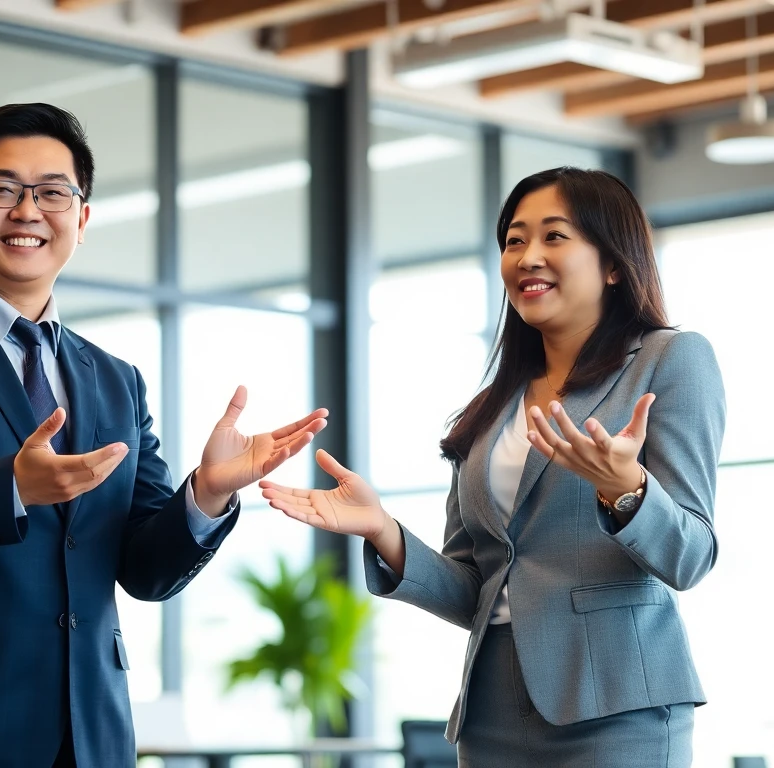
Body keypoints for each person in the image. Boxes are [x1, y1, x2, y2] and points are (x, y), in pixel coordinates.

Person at [0, 102, 328, 767]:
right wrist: (8, 487)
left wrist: (205, 495)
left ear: (81, 220)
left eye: (53, 193)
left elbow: (145, 571)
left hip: (87, 735)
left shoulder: (116, 379)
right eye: (1, 190)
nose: (29, 211)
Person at [262, 167, 725, 766]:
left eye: (555, 236)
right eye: (514, 240)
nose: (528, 256)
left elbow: (691, 556)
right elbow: (477, 588)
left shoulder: (670, 360)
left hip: (618, 709)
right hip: (492, 718)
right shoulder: (494, 407)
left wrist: (625, 489)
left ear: (614, 263)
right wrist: (384, 531)